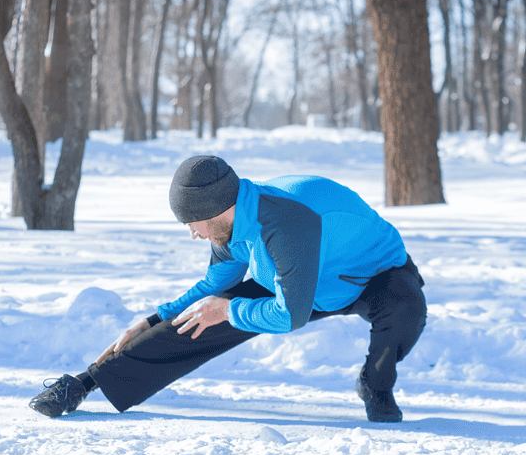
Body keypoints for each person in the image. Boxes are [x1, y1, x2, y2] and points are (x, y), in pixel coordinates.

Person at [29, 155, 427, 423]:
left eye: (192, 223)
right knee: (203, 316)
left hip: (374, 277)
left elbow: (290, 316)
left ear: (214, 210)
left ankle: (375, 386)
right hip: (299, 283)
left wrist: (227, 310)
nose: (192, 234)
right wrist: (152, 319)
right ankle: (85, 384)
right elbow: (211, 289)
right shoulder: (232, 226)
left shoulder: (288, 223)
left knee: (406, 308)